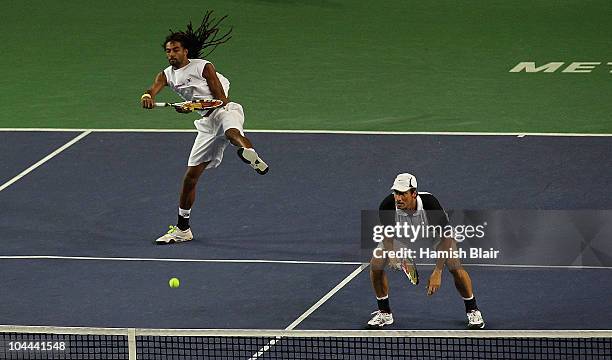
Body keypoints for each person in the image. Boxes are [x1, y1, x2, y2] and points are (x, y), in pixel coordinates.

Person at [140, 12, 268, 244]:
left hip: (224, 111)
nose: (171, 54)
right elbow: (153, 88)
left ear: (185, 51)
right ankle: (183, 229)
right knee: (190, 178)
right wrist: (147, 95)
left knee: (232, 133)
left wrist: (192, 106)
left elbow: (221, 99)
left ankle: (252, 156)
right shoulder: (166, 74)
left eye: (175, 49)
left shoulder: (204, 67)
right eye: (168, 50)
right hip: (206, 125)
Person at [368, 173, 485, 329]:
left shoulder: (430, 204)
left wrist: (437, 271)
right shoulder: (387, 205)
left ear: (414, 193)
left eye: (403, 193)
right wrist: (392, 254)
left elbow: (446, 237)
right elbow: (386, 234)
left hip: (433, 235)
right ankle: (384, 312)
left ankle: (473, 310)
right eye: (396, 192)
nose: (398, 198)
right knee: (376, 264)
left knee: (454, 265)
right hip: (404, 236)